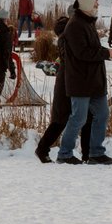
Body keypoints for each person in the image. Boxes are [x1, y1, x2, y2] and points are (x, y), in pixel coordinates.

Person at [57, 0, 112, 165]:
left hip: (93, 81)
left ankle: (96, 153)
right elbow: (82, 52)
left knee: (102, 114)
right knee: (79, 118)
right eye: (95, 2)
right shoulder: (75, 25)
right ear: (86, 5)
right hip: (80, 80)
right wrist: (106, 53)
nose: (97, 4)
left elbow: (90, 49)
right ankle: (64, 153)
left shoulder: (87, 22)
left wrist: (105, 53)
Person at [35, 15, 92, 163]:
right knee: (63, 119)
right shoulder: (67, 41)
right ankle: (42, 149)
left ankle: (86, 153)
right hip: (68, 83)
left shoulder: (65, 41)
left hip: (70, 82)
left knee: (76, 117)